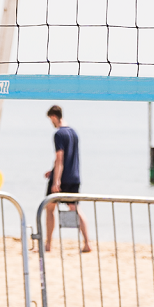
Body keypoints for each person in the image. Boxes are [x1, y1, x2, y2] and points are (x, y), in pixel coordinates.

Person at [44, 105, 92, 253]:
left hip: (62, 178)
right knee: (75, 209)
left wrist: (56, 180)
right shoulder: (74, 133)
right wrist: (51, 172)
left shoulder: (59, 134)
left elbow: (60, 157)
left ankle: (49, 244)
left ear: (53, 116)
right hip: (74, 176)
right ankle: (87, 243)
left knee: (49, 208)